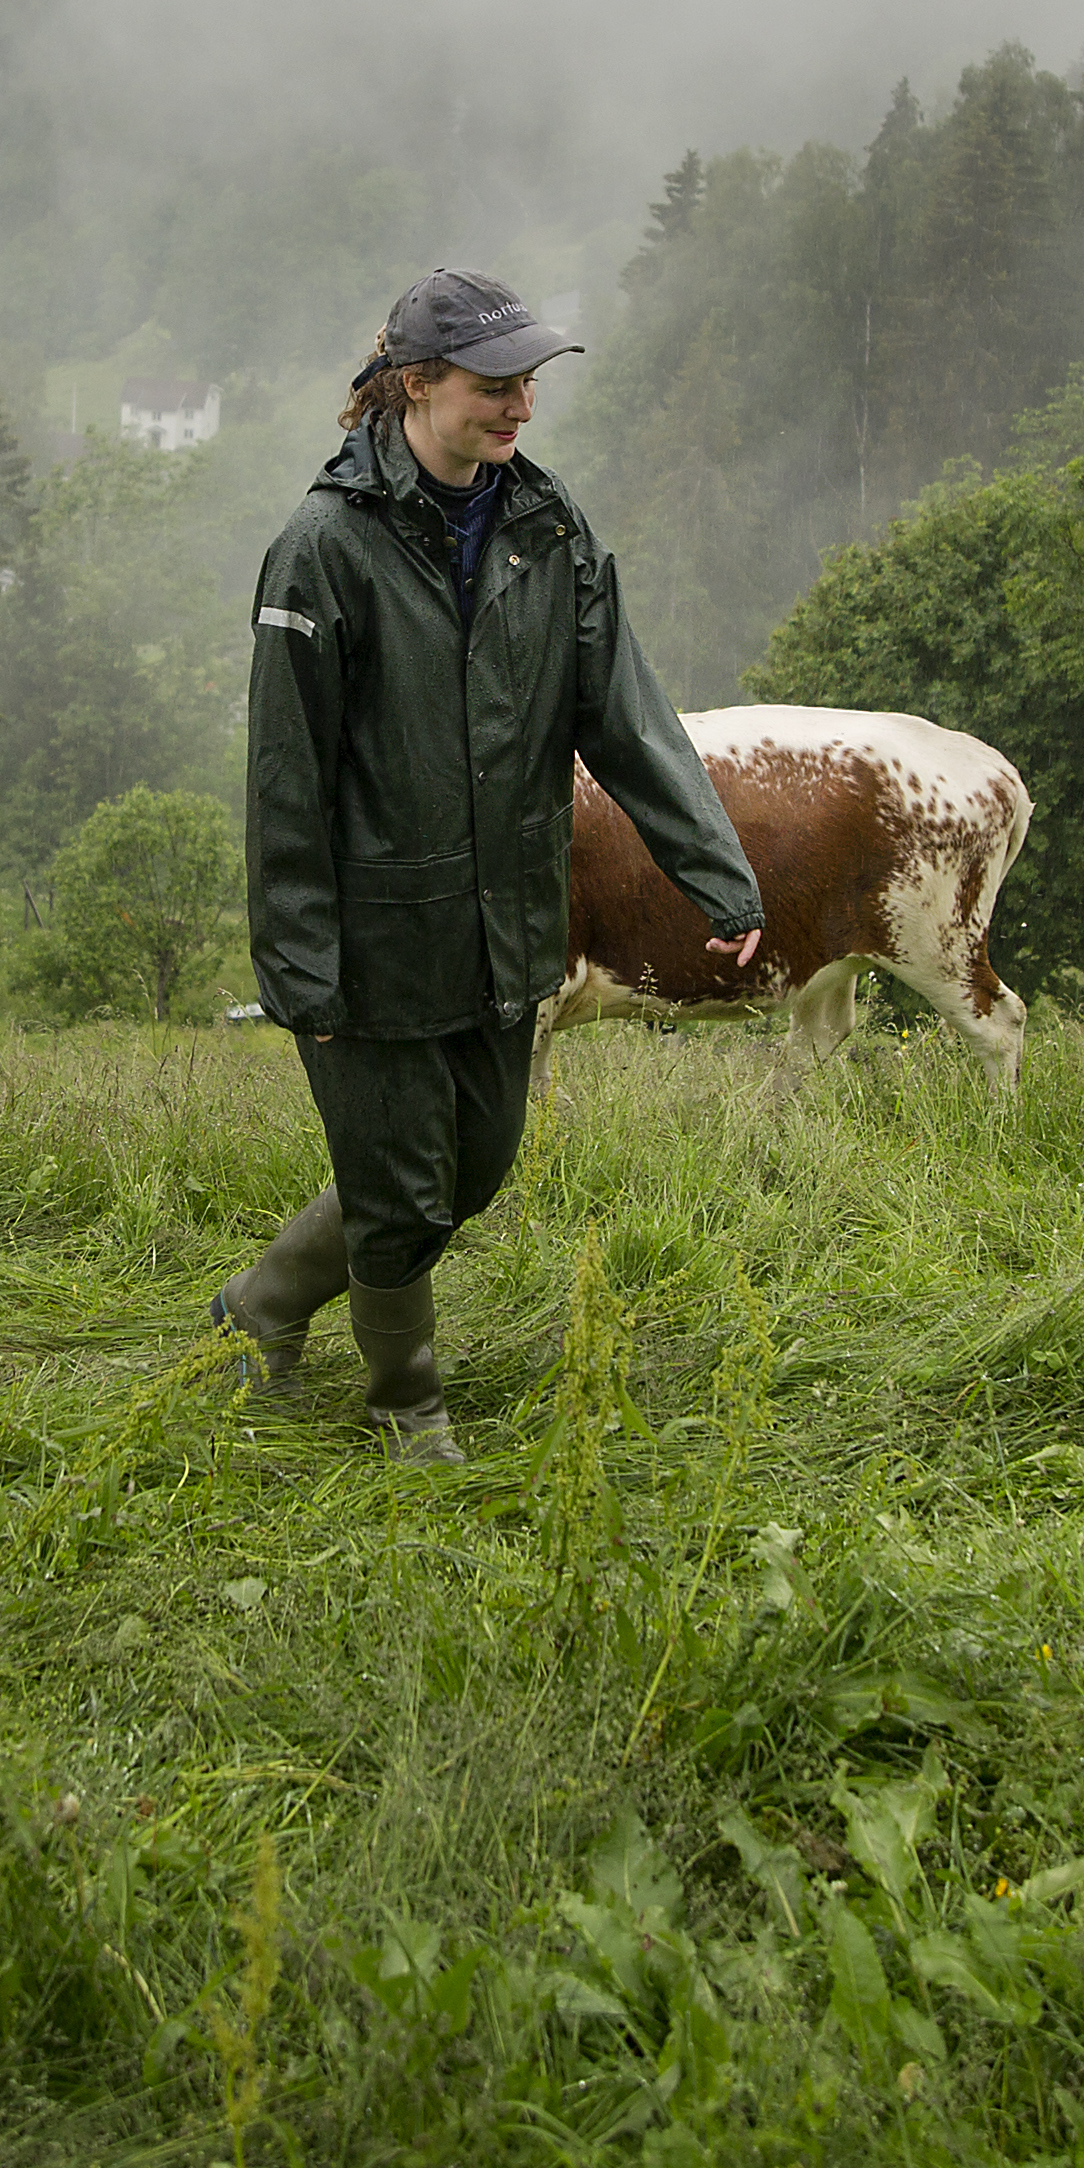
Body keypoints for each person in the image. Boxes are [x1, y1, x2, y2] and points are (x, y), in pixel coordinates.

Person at [219, 266, 765, 1460]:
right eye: (491, 385)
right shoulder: (324, 547)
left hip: (506, 925)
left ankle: (258, 1303)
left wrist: (712, 868)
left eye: (526, 384)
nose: (517, 407)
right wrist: (299, 969)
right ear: (414, 383)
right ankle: (405, 1405)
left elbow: (621, 711)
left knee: (471, 1169)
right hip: (372, 940)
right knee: (404, 1191)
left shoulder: (547, 528)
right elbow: (283, 780)